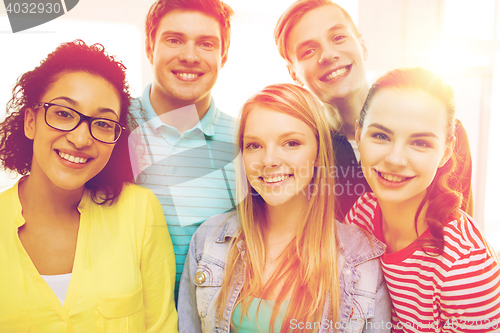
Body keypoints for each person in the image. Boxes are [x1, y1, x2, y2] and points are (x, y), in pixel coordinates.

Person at [178, 83, 391, 333]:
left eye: (290, 143)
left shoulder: (362, 258)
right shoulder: (209, 241)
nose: (269, 161)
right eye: (254, 146)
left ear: (318, 150)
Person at [0, 40, 177, 332]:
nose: (81, 139)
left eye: (103, 123)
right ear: (30, 122)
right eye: (64, 114)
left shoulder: (139, 211)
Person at [274, 0, 473, 218]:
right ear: (294, 74)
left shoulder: (442, 134)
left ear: (363, 46)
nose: (328, 55)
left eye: (339, 37)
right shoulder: (297, 149)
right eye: (308, 51)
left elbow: (458, 233)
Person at [346, 67, 500, 332]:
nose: (395, 159)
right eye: (381, 136)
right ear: (359, 136)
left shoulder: (463, 266)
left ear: (445, 152)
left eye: (420, 143)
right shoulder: (362, 214)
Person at [129, 0, 237, 300]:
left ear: (223, 55)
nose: (190, 56)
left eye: (206, 44)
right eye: (174, 40)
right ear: (150, 47)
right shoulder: (107, 126)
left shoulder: (247, 141)